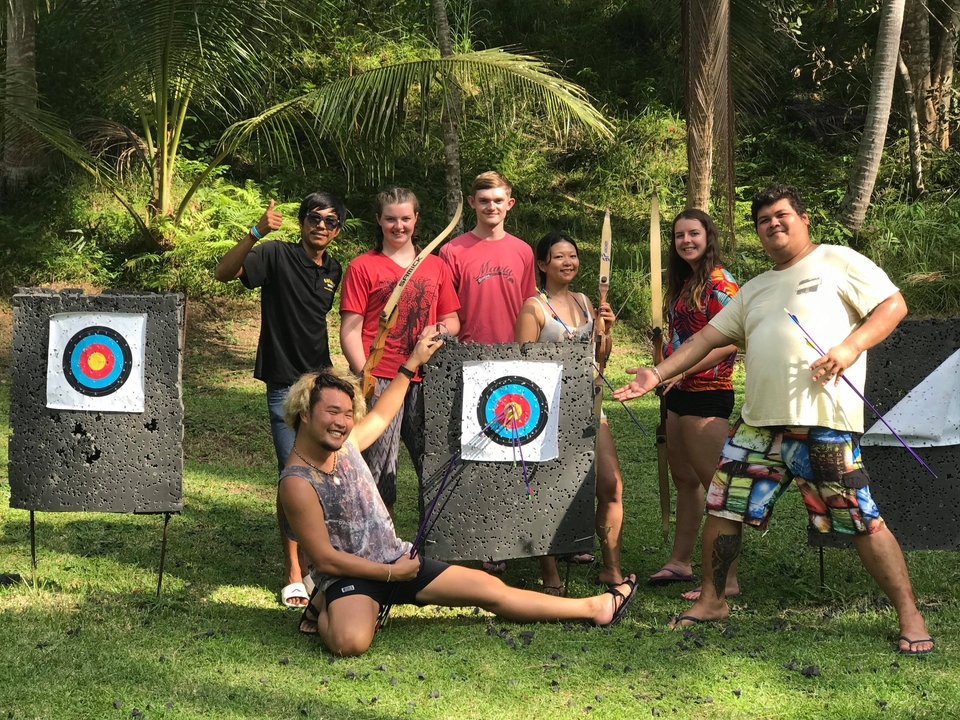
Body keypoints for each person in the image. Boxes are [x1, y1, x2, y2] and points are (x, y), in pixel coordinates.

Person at [613, 184, 933, 655]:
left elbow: (893, 306)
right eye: (764, 221)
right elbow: (705, 339)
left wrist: (849, 348)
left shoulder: (837, 260)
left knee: (861, 520)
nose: (773, 225)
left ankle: (910, 613)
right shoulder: (755, 288)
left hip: (821, 422)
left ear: (803, 218)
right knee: (723, 509)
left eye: (782, 216)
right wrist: (656, 373)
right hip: (757, 425)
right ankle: (712, 599)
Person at [279, 334, 638, 657]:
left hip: (396, 561)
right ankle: (323, 603)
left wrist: (411, 363)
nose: (343, 422)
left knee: (490, 590)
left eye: (347, 413)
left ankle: (595, 607)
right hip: (352, 577)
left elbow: (384, 414)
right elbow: (325, 561)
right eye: (332, 412)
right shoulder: (296, 482)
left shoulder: (348, 446)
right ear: (304, 414)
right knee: (350, 643)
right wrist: (390, 576)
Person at [214, 192, 345, 609]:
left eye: (329, 221)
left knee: (321, 473)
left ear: (337, 229)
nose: (320, 226)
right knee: (293, 474)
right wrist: (255, 231)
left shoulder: (334, 269)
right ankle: (293, 571)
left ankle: (316, 563)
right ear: (302, 222)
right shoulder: (273, 254)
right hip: (283, 384)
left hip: (321, 382)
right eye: (313, 218)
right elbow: (222, 272)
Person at [514, 232, 626, 593]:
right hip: (546, 412)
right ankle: (550, 574)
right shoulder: (534, 308)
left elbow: (600, 361)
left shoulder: (584, 300)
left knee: (610, 484)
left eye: (573, 256)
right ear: (543, 264)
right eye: (559, 257)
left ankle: (612, 569)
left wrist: (605, 333)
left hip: (590, 405)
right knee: (547, 490)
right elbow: (523, 367)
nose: (568, 262)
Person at [339, 187, 460, 517]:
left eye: (406, 218)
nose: (398, 226)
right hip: (380, 379)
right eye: (390, 219)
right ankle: (381, 551)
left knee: (433, 465)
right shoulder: (363, 266)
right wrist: (365, 374)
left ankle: (428, 548)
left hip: (426, 381)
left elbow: (452, 320)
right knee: (378, 471)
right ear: (378, 221)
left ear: (416, 219)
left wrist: (438, 330)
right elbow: (350, 329)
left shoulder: (435, 266)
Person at [439, 171, 537, 573]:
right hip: (469, 363)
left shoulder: (524, 251)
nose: (491, 207)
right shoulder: (453, 251)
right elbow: (447, 310)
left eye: (498, 200)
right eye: (484, 201)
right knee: (474, 455)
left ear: (509, 204)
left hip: (516, 361)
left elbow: (533, 306)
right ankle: (475, 540)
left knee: (517, 453)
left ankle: (518, 537)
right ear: (472, 203)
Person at [647, 210, 742, 601]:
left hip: (708, 391)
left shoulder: (722, 284)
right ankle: (681, 561)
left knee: (715, 488)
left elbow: (730, 341)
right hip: (677, 390)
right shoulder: (685, 282)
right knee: (684, 480)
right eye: (679, 235)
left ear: (708, 236)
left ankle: (727, 580)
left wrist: (681, 372)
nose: (685, 240)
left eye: (693, 233)